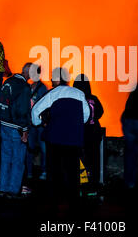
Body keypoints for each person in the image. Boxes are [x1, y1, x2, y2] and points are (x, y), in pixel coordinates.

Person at [31, 67, 90, 210]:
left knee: (54, 171)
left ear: (58, 79)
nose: (51, 80)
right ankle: (74, 203)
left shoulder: (54, 93)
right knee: (73, 172)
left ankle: (54, 201)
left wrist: (38, 122)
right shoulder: (79, 93)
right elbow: (86, 115)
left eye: (52, 78)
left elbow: (35, 111)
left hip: (55, 139)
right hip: (74, 140)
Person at [0, 63, 32, 199]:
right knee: (18, 160)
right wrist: (24, 130)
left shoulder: (8, 81)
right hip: (16, 127)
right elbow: (23, 110)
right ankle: (13, 190)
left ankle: (2, 188)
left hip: (4, 125)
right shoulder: (24, 87)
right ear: (28, 72)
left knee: (5, 158)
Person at [73, 74, 104, 194]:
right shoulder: (94, 98)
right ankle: (93, 185)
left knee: (79, 160)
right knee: (94, 161)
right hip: (94, 133)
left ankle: (80, 184)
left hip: (80, 134)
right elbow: (100, 112)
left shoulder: (75, 99)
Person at [26, 64, 48, 181]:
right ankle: (30, 172)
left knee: (43, 149)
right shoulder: (29, 87)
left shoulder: (42, 88)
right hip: (31, 123)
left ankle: (43, 171)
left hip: (39, 124)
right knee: (30, 148)